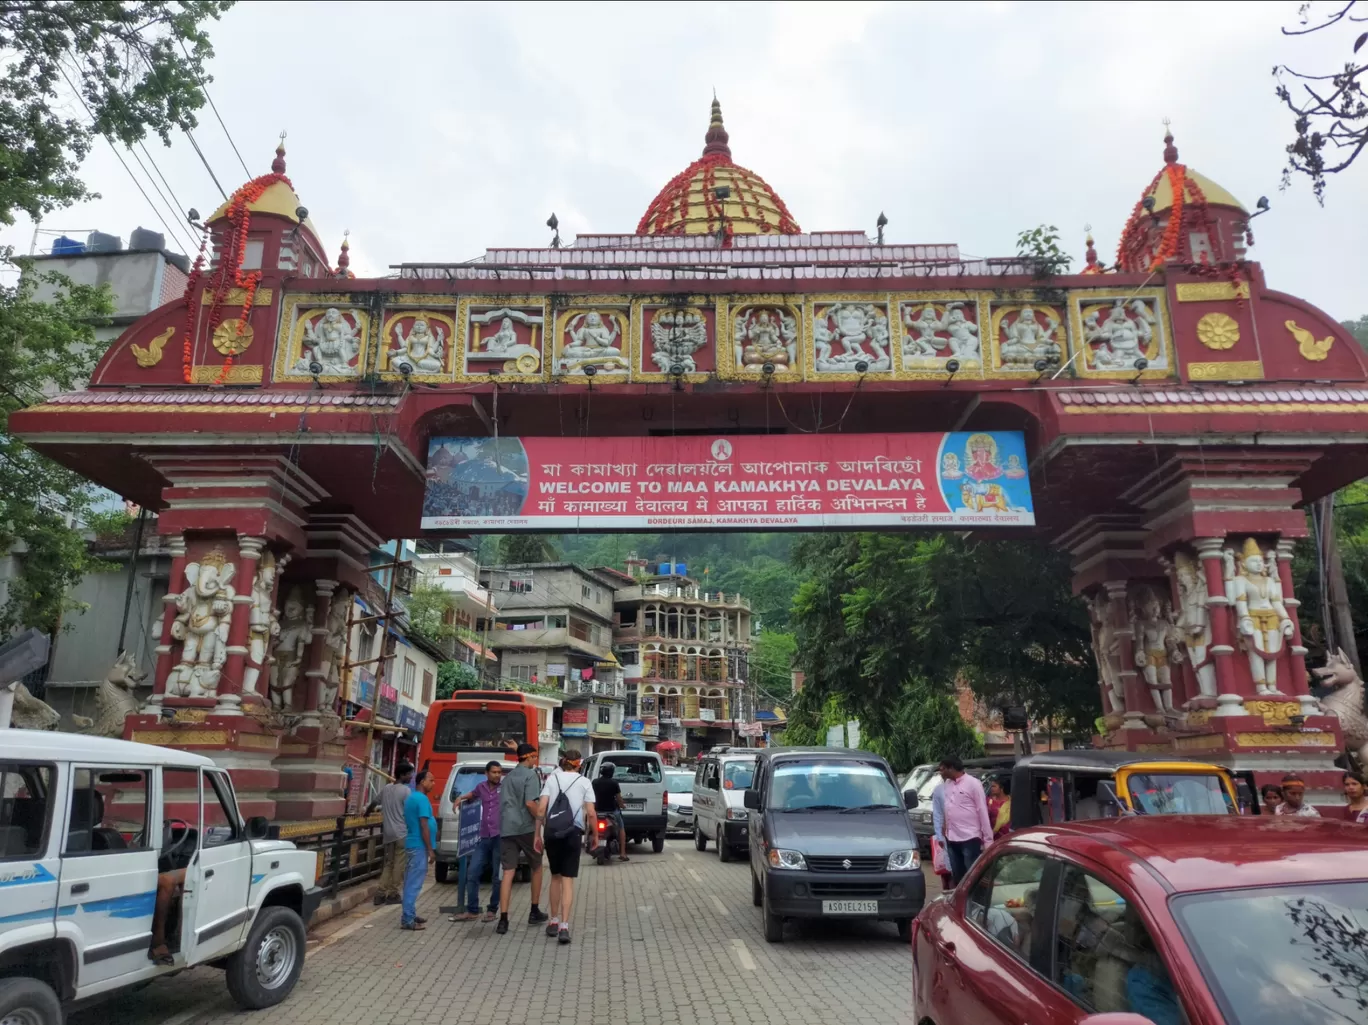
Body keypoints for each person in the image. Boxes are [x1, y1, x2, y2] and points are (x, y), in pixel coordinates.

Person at [538, 749, 597, 945]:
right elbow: (591, 812)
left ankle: (553, 921)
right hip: (573, 832)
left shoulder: (552, 779)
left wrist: (538, 833)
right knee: (568, 880)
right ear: (578, 763)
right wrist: (594, 835)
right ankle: (564, 926)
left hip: (552, 832)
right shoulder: (584, 782)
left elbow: (541, 808)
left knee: (554, 877)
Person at [496, 742, 548, 935]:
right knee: (536, 866)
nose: (536, 761)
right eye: (534, 757)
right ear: (529, 757)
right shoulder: (530, 776)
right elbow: (530, 803)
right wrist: (542, 820)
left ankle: (503, 919)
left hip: (506, 828)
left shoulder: (508, 777)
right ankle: (534, 910)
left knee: (508, 872)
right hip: (525, 828)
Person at [453, 761, 504, 921]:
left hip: (499, 837)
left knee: (497, 876)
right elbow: (472, 795)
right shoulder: (481, 787)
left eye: (499, 772)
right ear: (487, 773)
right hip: (482, 837)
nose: (497, 775)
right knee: (473, 872)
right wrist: (459, 798)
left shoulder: (504, 788)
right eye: (494, 772)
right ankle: (473, 910)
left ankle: (492, 910)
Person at [935, 756, 993, 885]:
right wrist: (943, 828)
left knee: (972, 876)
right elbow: (947, 807)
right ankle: (960, 903)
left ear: (951, 769)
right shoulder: (947, 785)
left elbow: (982, 811)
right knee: (958, 876)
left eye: (942, 769)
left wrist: (988, 840)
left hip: (969, 837)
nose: (940, 772)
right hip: (951, 837)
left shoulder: (973, 783)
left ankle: (976, 902)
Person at [368, 762, 413, 906]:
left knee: (389, 863)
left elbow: (373, 802)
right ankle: (393, 894)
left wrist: (366, 813)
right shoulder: (406, 791)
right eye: (409, 774)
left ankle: (380, 894)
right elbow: (409, 811)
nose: (411, 777)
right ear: (402, 775)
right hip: (401, 833)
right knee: (399, 865)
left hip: (388, 833)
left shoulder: (387, 788)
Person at [400, 769, 437, 930]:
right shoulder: (421, 799)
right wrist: (430, 849)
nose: (433, 783)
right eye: (431, 780)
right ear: (422, 781)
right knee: (413, 884)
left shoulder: (413, 797)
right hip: (418, 846)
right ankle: (408, 919)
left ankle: (410, 913)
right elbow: (424, 825)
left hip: (414, 845)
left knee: (411, 882)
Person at [591, 762, 629, 862]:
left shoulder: (595, 782)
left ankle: (588, 842)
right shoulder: (614, 783)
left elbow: (591, 796)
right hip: (612, 812)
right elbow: (619, 799)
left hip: (597, 811)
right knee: (621, 828)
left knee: (590, 826)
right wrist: (622, 805)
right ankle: (623, 853)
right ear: (611, 772)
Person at [929, 783, 954, 892]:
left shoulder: (967, 786)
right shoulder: (939, 789)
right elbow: (938, 814)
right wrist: (939, 835)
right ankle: (948, 893)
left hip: (962, 836)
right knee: (946, 870)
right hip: (946, 836)